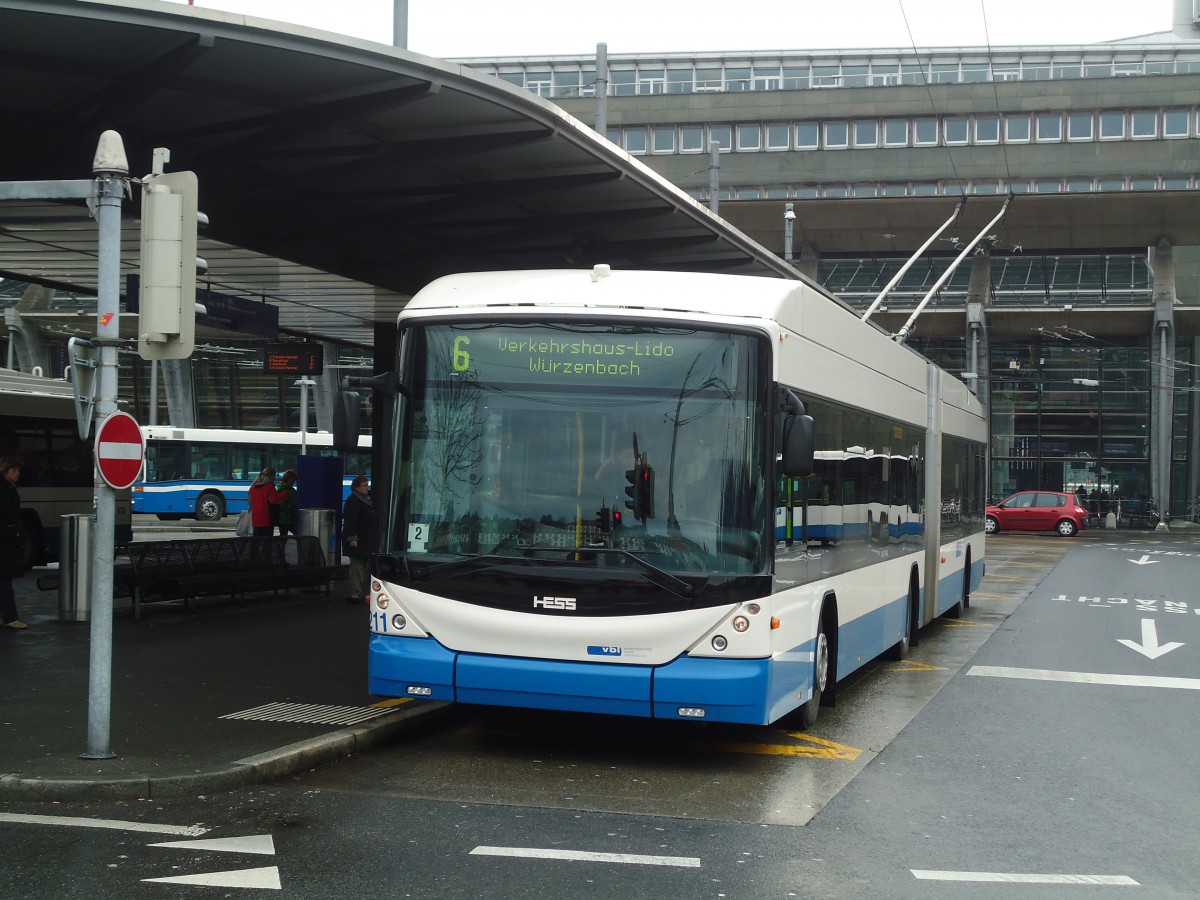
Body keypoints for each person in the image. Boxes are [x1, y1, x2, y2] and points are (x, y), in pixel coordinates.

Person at [0, 457, 28, 630]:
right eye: (13, 470)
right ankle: (10, 617)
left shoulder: (7, 488)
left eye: (18, 470)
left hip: (5, 539)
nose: (17, 473)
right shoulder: (6, 490)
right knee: (4, 580)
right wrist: (16, 534)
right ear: (5, 472)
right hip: (5, 541)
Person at [343, 475, 378, 604]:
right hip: (360, 540)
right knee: (357, 567)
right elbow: (350, 522)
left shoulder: (362, 500)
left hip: (365, 539)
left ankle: (357, 593)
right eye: (364, 485)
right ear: (357, 487)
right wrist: (352, 538)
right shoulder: (355, 501)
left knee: (360, 567)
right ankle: (355, 594)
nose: (366, 487)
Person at [248, 467, 283, 538]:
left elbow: (249, 501)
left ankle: (254, 550)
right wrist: (284, 495)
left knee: (256, 541)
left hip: (256, 517)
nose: (274, 478)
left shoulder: (253, 486)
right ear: (270, 476)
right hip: (267, 518)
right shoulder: (270, 486)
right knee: (267, 541)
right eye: (274, 476)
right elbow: (273, 500)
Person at [275, 469, 298, 545]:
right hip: (286, 517)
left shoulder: (281, 488)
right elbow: (281, 504)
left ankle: (280, 554)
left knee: (283, 537)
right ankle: (280, 554)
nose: (293, 482)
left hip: (284, 518)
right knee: (297, 535)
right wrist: (292, 505)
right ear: (288, 479)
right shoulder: (285, 490)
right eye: (293, 481)